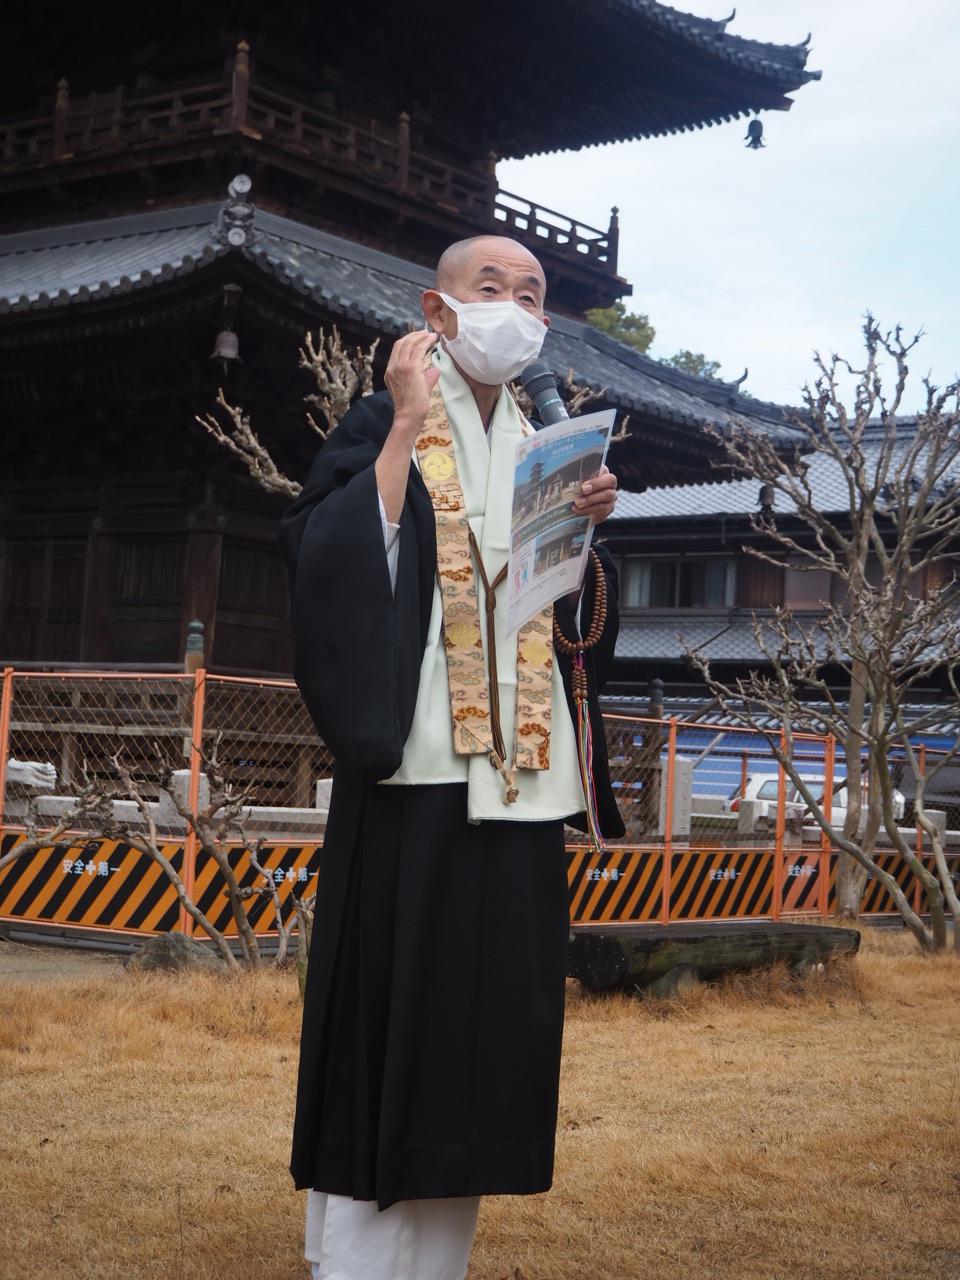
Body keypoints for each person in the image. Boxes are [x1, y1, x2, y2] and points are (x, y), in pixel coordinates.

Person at [279, 234, 624, 1280]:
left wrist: (587, 534)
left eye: (533, 294)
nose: (515, 307)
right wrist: (401, 439)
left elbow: (569, 630)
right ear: (438, 306)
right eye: (492, 288)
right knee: (394, 1024)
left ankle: (438, 1261)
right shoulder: (386, 419)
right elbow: (321, 557)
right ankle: (352, 1260)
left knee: (479, 1038)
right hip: (416, 769)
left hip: (518, 783)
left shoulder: (542, 438)